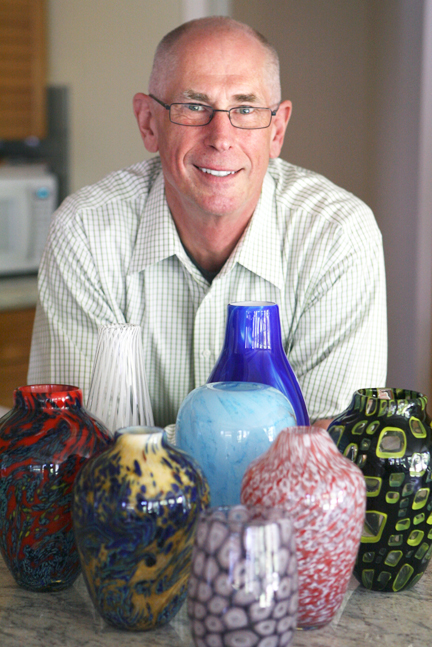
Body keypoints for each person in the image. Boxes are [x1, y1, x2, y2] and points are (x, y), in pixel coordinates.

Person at [28, 16, 387, 430]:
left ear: (277, 129)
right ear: (148, 123)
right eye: (194, 106)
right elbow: (71, 440)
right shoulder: (85, 232)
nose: (221, 136)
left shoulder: (338, 235)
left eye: (246, 108)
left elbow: (327, 445)